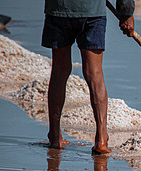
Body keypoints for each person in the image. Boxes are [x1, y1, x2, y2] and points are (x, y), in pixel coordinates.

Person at [41, 0, 135, 154]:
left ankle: (55, 136)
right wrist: (126, 13)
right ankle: (101, 139)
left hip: (59, 9)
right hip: (91, 11)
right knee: (95, 73)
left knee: (59, 70)